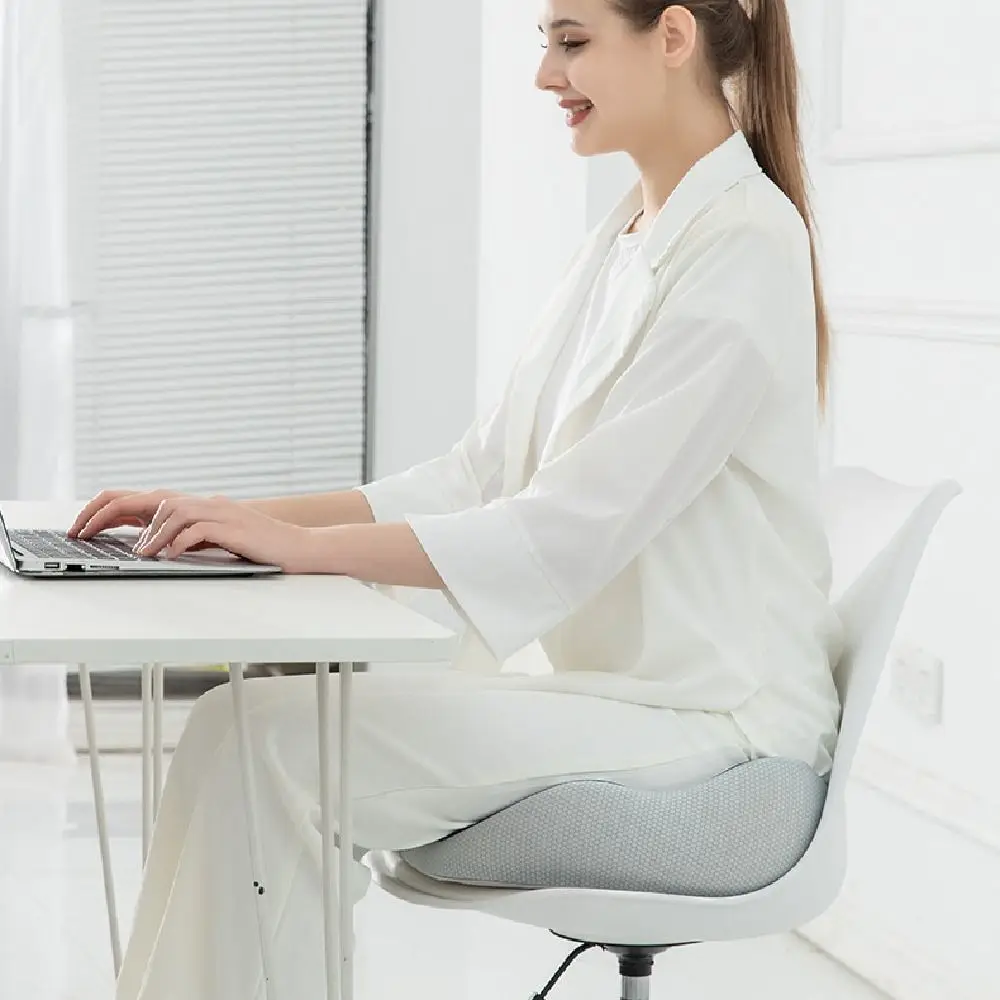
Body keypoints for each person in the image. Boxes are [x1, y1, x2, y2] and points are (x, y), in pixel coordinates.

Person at [69, 2, 846, 997]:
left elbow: (568, 529)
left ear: (672, 36)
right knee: (237, 728)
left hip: (715, 724)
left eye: (572, 42)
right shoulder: (625, 235)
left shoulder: (744, 244)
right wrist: (232, 519)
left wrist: (292, 547)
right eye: (544, 44)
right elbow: (479, 475)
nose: (545, 75)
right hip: (632, 698)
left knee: (268, 747)